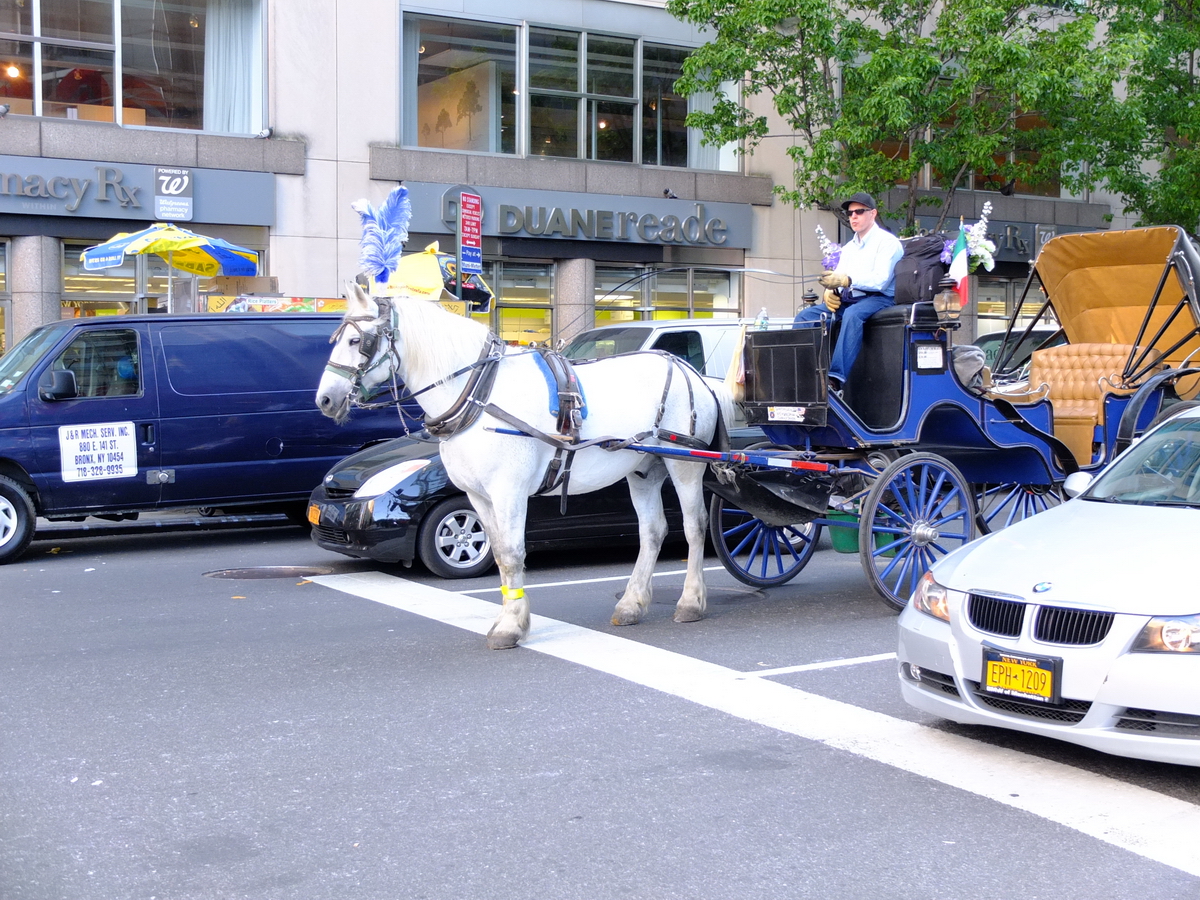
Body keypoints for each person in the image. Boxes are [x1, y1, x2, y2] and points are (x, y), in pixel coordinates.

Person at [794, 192, 903, 391]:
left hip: (880, 299)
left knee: (853, 315)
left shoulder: (888, 243)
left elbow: (880, 281)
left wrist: (847, 279)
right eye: (850, 212)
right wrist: (831, 291)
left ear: (873, 214)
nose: (853, 216)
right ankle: (801, 373)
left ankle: (835, 379)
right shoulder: (850, 247)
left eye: (859, 212)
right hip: (851, 299)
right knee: (806, 316)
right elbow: (839, 278)